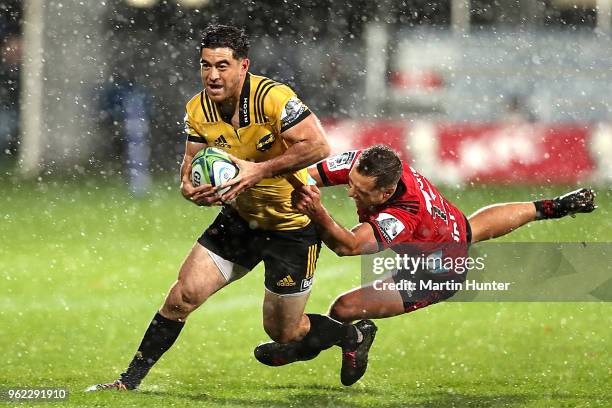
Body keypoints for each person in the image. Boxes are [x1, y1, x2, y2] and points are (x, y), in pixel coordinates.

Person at [87, 24, 375, 391]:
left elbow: (318, 147)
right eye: (206, 65)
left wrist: (259, 170)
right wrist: (190, 189)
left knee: (284, 331)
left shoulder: (273, 98)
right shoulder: (197, 108)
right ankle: (128, 382)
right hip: (239, 220)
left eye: (222, 65)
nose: (212, 75)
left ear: (243, 66)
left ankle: (352, 337)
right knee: (181, 297)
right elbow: (189, 167)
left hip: (291, 228)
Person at [254, 144, 597, 384]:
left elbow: (347, 246)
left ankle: (330, 343)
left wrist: (317, 211)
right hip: (448, 230)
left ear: (387, 192)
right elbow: (306, 175)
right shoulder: (367, 163)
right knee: (467, 230)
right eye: (351, 183)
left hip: (435, 273)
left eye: (361, 192)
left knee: (343, 309)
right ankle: (549, 207)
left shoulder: (403, 213)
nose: (350, 193)